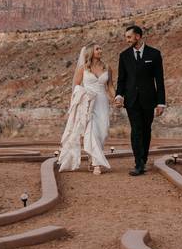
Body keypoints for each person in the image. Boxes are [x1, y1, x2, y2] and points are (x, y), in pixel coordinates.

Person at [114, 25, 166, 176]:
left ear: (138, 36)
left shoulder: (154, 54)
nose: (127, 40)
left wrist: (161, 102)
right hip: (131, 100)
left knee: (146, 130)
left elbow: (159, 80)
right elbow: (121, 80)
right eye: (126, 37)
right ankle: (138, 163)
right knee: (136, 130)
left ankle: (143, 158)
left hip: (149, 100)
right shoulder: (124, 56)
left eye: (129, 37)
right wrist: (119, 95)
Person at [57, 43, 115, 174]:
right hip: (88, 103)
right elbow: (76, 86)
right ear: (90, 52)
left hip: (102, 102)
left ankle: (91, 157)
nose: (100, 50)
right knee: (92, 131)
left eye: (100, 48)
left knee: (103, 132)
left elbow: (110, 86)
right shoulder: (83, 68)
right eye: (97, 49)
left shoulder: (107, 67)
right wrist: (77, 104)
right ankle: (96, 164)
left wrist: (115, 98)